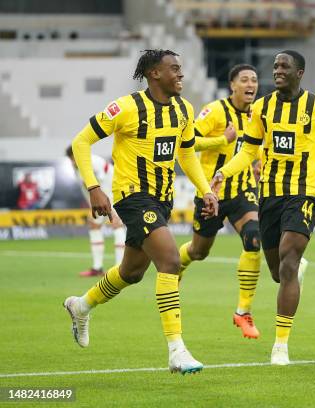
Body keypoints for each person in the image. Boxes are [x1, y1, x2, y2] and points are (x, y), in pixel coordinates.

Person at [63, 49, 218, 375]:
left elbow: (187, 155)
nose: (181, 75)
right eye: (174, 69)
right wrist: (94, 186)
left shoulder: (184, 109)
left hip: (163, 199)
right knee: (171, 261)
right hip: (133, 196)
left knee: (131, 272)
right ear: (154, 73)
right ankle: (177, 350)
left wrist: (205, 190)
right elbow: (81, 141)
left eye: (181, 69)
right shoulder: (127, 108)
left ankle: (81, 305)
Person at [211, 50, 315, 365]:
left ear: (300, 72)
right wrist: (224, 172)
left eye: (284, 66)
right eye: (276, 66)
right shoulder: (262, 107)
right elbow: (249, 151)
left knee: (289, 263)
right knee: (279, 273)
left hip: (303, 195)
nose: (278, 70)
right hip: (269, 196)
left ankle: (280, 344)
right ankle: (293, 273)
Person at [177, 64, 266, 339]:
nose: (251, 84)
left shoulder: (259, 114)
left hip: (242, 192)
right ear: (232, 85)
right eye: (244, 80)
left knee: (254, 238)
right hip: (210, 193)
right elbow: (186, 142)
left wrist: (260, 162)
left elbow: (255, 145)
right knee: (198, 252)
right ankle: (174, 266)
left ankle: (243, 312)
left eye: (254, 80)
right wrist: (220, 140)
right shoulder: (215, 111)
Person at [66, 147, 126, 277]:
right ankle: (97, 268)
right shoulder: (79, 169)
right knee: (94, 225)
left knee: (116, 223)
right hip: (101, 198)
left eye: (73, 159)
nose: (72, 162)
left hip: (112, 192)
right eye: (71, 159)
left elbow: (102, 184)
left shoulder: (93, 161)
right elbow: (87, 189)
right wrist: (92, 206)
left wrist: (108, 204)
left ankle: (120, 267)